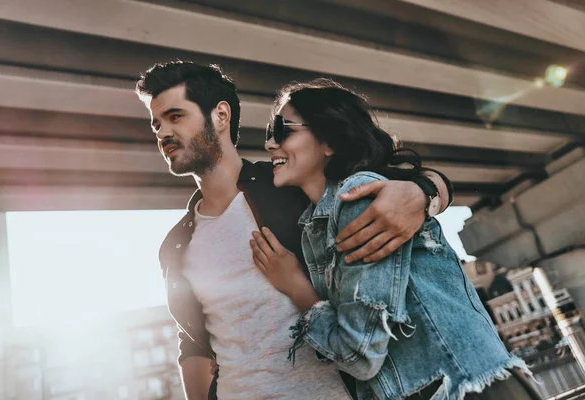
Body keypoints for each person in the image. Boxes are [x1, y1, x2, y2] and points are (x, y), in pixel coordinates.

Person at [135, 61, 453, 400]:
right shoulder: (177, 244)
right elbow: (195, 342)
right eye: (156, 124)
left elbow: (415, 182)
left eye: (175, 116)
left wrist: (423, 194)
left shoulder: (290, 185)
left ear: (221, 115)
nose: (162, 133)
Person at [252, 79, 540, 400]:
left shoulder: (359, 197)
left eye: (283, 128)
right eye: (268, 132)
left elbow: (361, 357)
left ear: (329, 140)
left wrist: (296, 288)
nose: (269, 144)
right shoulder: (315, 227)